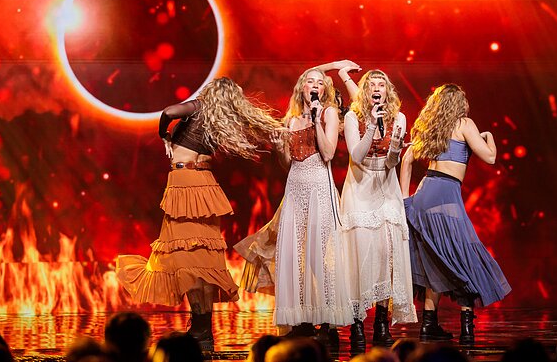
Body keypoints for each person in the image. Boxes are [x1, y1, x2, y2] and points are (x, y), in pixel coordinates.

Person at [116, 77, 284, 350]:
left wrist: (164, 135)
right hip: (202, 185)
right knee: (200, 257)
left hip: (186, 184)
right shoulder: (220, 119)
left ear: (210, 92)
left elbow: (169, 111)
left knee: (189, 257)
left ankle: (201, 328)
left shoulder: (200, 107)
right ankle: (202, 329)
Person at [235, 67, 353, 338]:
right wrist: (280, 148)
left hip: (319, 188)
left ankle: (327, 321)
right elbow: (288, 163)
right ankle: (301, 320)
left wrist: (317, 121)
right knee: (296, 255)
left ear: (324, 89)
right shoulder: (291, 120)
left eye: (319, 82)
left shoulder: (329, 113)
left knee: (320, 255)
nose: (315, 85)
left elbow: (328, 153)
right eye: (310, 81)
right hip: (295, 189)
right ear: (302, 88)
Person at [400, 84, 511, 344]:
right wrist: (489, 136)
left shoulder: (431, 127)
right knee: (463, 254)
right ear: (460, 103)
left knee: (435, 258)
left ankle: (429, 325)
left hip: (424, 193)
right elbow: (490, 158)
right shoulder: (464, 124)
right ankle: (467, 327)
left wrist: (404, 199)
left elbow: (406, 161)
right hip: (446, 195)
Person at [338, 69, 417, 350]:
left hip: (386, 185)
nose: (376, 88)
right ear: (365, 90)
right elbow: (356, 156)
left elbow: (393, 162)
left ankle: (382, 323)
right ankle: (357, 322)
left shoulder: (399, 117)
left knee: (387, 254)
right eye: (371, 84)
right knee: (359, 255)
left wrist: (395, 148)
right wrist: (371, 125)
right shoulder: (353, 117)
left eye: (381, 84)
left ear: (387, 91)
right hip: (360, 187)